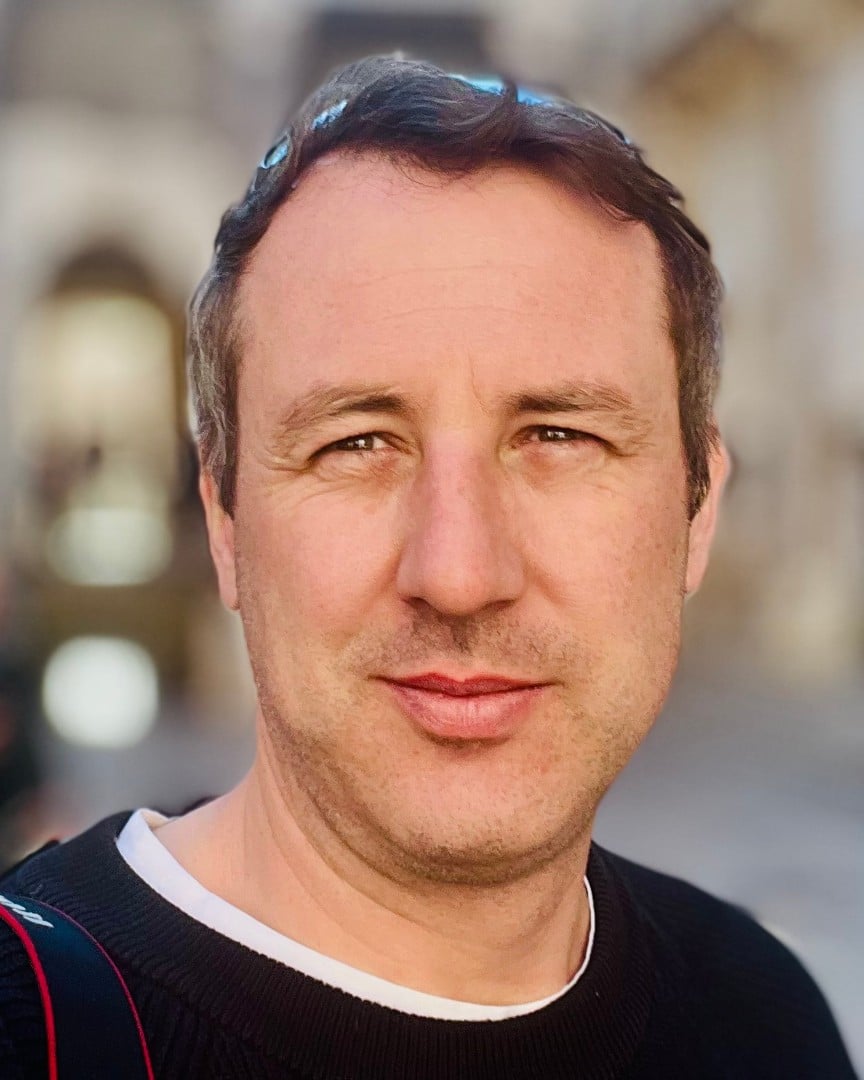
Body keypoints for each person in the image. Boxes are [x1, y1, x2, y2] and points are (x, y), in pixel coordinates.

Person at [0, 54, 857, 1079]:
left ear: (698, 508)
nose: (458, 573)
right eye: (356, 442)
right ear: (224, 517)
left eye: (560, 436)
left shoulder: (765, 1017)